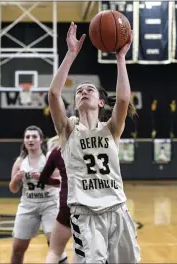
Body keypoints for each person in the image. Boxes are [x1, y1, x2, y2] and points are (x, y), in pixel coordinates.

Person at [47, 22, 141, 263]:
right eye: (79, 91)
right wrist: (70, 54)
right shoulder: (68, 129)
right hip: (85, 214)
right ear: (75, 102)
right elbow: (54, 94)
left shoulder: (110, 129)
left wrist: (121, 58)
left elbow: (122, 100)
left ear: (101, 102)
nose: (84, 92)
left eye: (90, 89)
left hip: (117, 208)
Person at [9, 125, 67, 264]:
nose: (30, 139)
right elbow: (13, 189)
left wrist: (44, 178)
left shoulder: (48, 158)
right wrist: (16, 180)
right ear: (24, 141)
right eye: (27, 137)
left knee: (54, 245)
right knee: (17, 248)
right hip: (28, 205)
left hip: (50, 204)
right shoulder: (20, 162)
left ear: (41, 140)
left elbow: (61, 182)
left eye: (34, 137)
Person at [39, 128, 77, 264]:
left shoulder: (56, 151)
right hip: (87, 204)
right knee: (81, 252)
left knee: (54, 251)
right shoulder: (88, 148)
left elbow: (42, 179)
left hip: (66, 204)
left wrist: (59, 182)